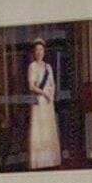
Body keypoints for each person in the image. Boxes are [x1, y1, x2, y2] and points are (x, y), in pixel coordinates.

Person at [21, 41, 63, 170]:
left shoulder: (48, 67)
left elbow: (52, 83)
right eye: (37, 50)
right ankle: (38, 163)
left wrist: (51, 95)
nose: (39, 52)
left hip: (48, 102)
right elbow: (31, 86)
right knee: (39, 130)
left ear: (44, 52)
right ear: (34, 52)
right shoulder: (32, 66)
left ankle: (50, 161)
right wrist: (44, 93)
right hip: (38, 101)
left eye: (41, 50)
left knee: (48, 129)